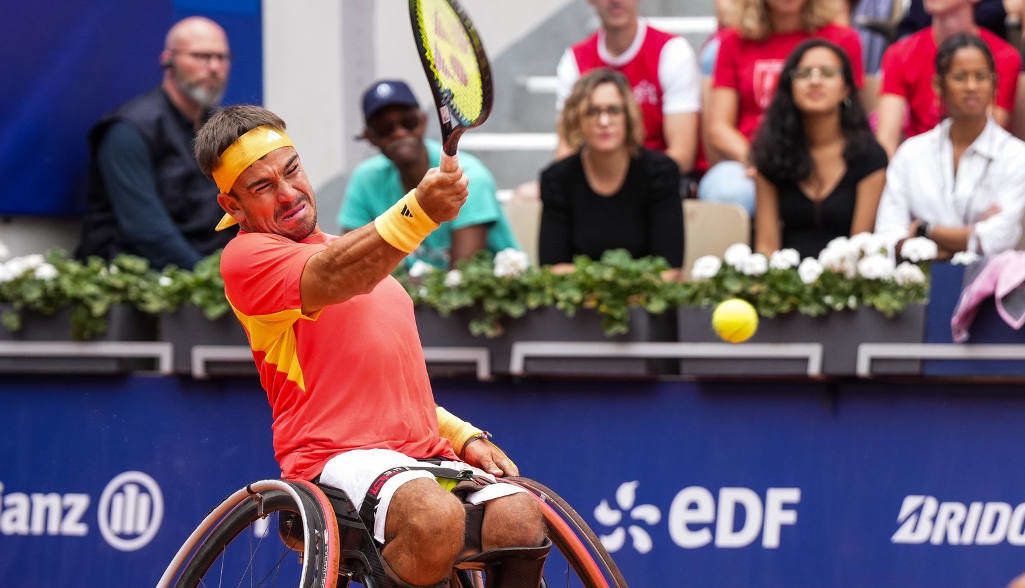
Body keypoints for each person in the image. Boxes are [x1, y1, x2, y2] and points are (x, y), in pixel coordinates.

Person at [196, 105, 547, 587]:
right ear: (232, 206)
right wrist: (419, 209)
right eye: (262, 187)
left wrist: (463, 435)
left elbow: (386, 385)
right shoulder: (246, 257)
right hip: (333, 457)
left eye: (292, 170)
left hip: (421, 452)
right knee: (434, 519)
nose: (288, 193)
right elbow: (338, 273)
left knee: (521, 517)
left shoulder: (359, 251)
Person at [76, 16, 234, 269]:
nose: (214, 67)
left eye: (221, 57)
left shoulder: (223, 127)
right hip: (135, 284)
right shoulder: (129, 129)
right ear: (168, 60)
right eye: (201, 56)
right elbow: (145, 228)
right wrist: (211, 282)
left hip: (212, 278)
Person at [701, 0, 864, 215]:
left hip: (822, 156)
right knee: (728, 191)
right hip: (752, 157)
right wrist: (761, 162)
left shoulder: (842, 39)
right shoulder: (733, 40)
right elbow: (719, 127)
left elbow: (852, 115)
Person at [339, 80, 519, 270]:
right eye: (384, 128)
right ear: (370, 137)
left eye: (408, 122)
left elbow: (461, 275)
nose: (399, 133)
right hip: (410, 294)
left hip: (483, 294)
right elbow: (351, 261)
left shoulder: (468, 177)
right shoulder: (365, 179)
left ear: (423, 121)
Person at [876, 33, 1025, 259]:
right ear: (938, 84)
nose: (972, 86)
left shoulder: (1016, 156)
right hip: (916, 281)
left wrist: (924, 230)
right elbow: (888, 235)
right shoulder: (912, 153)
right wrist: (960, 241)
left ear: (994, 84)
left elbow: (999, 238)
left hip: (990, 285)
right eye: (960, 77)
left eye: (981, 76)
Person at [752, 39, 887, 258]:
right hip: (786, 283)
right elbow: (766, 247)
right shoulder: (771, 154)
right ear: (790, 87)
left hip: (850, 279)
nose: (814, 81)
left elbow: (862, 247)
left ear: (845, 89)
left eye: (827, 73)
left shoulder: (870, 156)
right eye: (804, 74)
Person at [540, 69, 684, 270]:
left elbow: (669, 268)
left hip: (646, 299)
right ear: (577, 120)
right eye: (592, 112)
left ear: (628, 116)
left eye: (614, 110)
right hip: (578, 300)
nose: (604, 122)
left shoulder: (661, 172)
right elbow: (553, 268)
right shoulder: (557, 179)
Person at [554, 0, 702, 175]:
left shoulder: (672, 51)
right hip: (596, 181)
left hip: (658, 180)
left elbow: (682, 156)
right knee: (525, 196)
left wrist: (623, 189)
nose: (615, 1)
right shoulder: (574, 60)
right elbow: (566, 149)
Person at [876, 0, 1020, 157]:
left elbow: (984, 134)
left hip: (983, 166)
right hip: (918, 165)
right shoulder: (900, 53)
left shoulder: (1004, 57)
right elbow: (887, 140)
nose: (971, 85)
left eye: (980, 76)